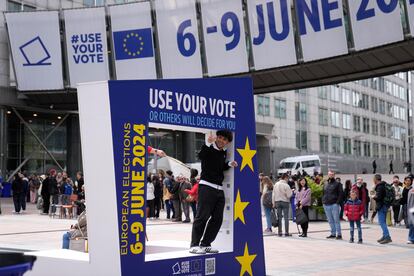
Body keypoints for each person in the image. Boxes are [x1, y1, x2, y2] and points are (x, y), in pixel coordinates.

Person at [190, 130, 238, 254]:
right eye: (220, 137)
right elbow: (201, 156)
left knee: (217, 219)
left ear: (227, 142)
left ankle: (206, 243)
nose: (222, 140)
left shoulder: (223, 153)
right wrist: (207, 143)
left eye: (225, 139)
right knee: (202, 216)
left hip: (219, 189)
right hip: (206, 186)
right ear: (216, 138)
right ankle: (194, 244)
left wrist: (229, 164)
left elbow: (220, 166)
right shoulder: (208, 148)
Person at [322, 170, 343, 239]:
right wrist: (323, 201)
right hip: (326, 204)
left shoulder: (338, 184)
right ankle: (333, 233)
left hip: (334, 204)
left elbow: (341, 194)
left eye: (332, 174)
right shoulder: (325, 183)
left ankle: (339, 234)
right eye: (329, 174)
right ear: (328, 175)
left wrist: (337, 203)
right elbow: (323, 193)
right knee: (330, 220)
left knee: (336, 220)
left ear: (334, 175)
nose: (331, 175)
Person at [373, 174, 392, 244]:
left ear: (376, 179)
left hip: (382, 206)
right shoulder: (384, 185)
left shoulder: (380, 186)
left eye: (374, 179)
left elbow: (379, 197)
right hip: (385, 205)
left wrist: (374, 197)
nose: (373, 180)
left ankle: (387, 237)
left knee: (382, 222)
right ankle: (384, 236)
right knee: (383, 221)